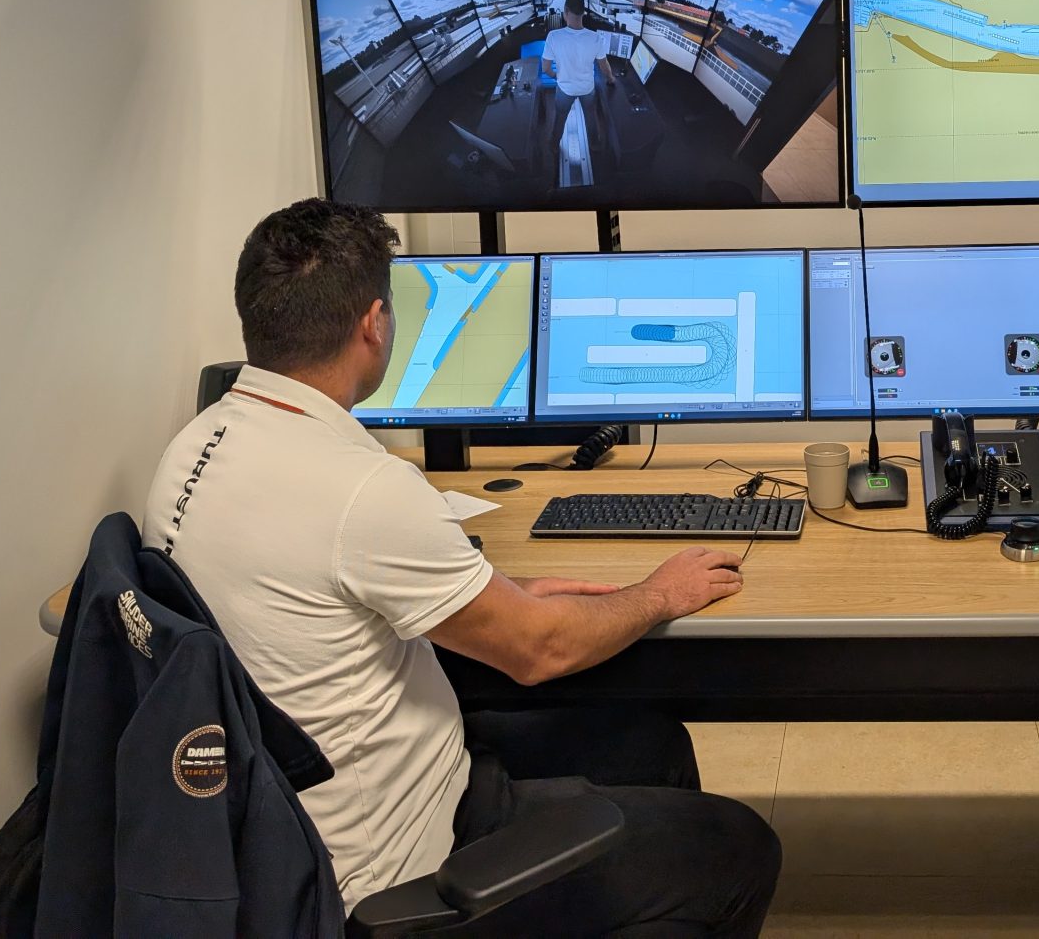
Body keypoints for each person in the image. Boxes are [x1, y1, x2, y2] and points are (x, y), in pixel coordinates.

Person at [142, 200, 780, 934]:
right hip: (392, 865)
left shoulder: (192, 450)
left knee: (654, 744)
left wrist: (487, 593)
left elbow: (313, 601)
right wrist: (659, 593)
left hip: (286, 821)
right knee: (740, 848)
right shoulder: (362, 488)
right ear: (375, 323)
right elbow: (542, 649)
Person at [539, 0, 617, 178]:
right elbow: (604, 66)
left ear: (565, 11)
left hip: (564, 89)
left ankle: (553, 146)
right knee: (591, 116)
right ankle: (595, 145)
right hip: (587, 89)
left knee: (560, 118)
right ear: (583, 12)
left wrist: (557, 76)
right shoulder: (595, 38)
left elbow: (546, 68)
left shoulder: (553, 36)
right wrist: (611, 79)